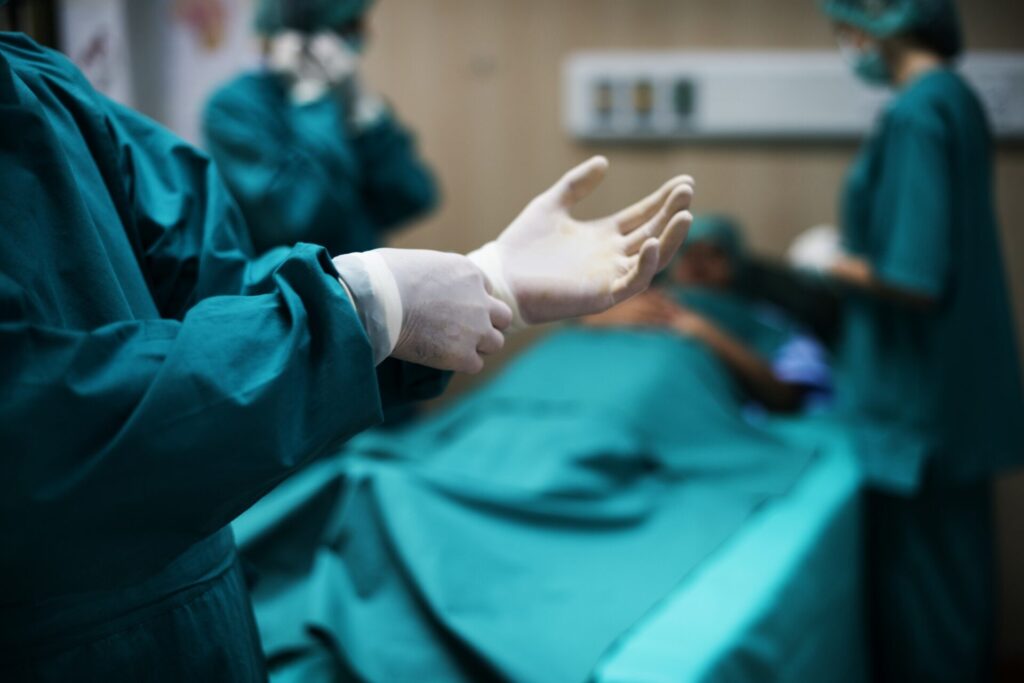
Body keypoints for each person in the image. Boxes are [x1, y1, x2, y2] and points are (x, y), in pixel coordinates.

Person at [0, 18, 694, 680]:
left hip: (291, 425)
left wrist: (487, 279)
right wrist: (360, 303)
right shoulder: (242, 109)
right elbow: (32, 426)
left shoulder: (43, 85)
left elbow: (222, 288)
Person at [816, 1, 1024, 680]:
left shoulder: (913, 114)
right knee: (955, 594)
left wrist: (831, 260)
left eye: (847, 27)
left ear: (881, 21)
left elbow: (914, 277)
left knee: (924, 612)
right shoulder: (955, 100)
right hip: (952, 396)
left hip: (916, 409)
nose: (847, 44)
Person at [202, 0, 438, 258]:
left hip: (358, 284)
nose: (367, 34)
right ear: (305, 40)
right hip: (288, 291)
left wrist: (363, 114)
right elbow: (293, 219)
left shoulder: (341, 98)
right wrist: (310, 101)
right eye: (351, 25)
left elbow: (413, 197)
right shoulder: (234, 107)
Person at [584, 215, 832, 413]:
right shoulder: (633, 304)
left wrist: (707, 334)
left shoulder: (768, 322)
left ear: (737, 264)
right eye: (687, 252)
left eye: (714, 254)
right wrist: (601, 317)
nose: (698, 263)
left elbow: (788, 398)